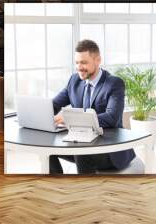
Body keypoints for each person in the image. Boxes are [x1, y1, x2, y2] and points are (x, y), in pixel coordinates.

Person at [50, 39, 135, 174]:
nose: (79, 67)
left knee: (81, 151)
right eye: (77, 62)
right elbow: (55, 104)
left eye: (84, 62)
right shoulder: (74, 80)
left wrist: (72, 119)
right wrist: (40, 113)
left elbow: (112, 117)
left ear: (98, 60)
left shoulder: (114, 84)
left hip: (109, 150)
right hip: (82, 141)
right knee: (49, 150)